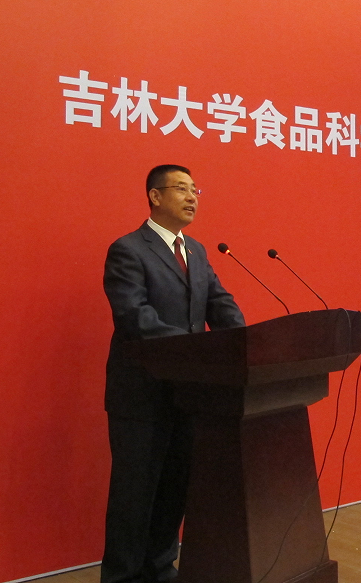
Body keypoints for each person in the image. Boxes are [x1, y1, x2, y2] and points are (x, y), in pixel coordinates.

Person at [101, 164, 245, 583]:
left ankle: (160, 570)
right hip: (141, 396)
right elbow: (134, 316)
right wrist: (194, 350)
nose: (192, 197)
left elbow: (220, 304)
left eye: (195, 190)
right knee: (134, 495)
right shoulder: (128, 249)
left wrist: (244, 343)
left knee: (174, 490)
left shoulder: (196, 251)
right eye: (181, 189)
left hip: (189, 394)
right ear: (155, 196)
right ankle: (123, 577)